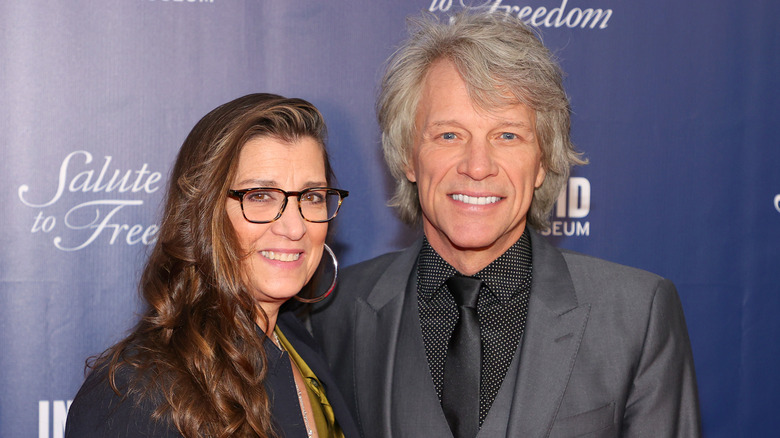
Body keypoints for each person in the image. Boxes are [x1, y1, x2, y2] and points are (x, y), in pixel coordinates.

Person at [311, 12, 701, 438]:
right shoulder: (332, 313)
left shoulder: (636, 316)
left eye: (507, 136)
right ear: (407, 156)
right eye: (449, 135)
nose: (478, 167)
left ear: (542, 162)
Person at [65, 93, 360, 438]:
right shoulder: (137, 393)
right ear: (204, 213)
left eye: (311, 197)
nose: (294, 228)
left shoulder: (303, 346)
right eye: (260, 196)